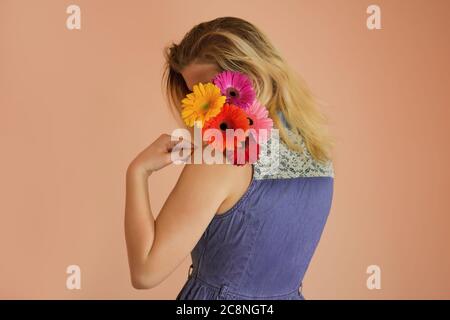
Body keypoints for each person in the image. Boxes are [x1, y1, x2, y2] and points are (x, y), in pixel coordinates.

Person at [124, 16, 334, 300]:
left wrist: (138, 172)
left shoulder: (223, 157)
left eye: (211, 90)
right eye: (194, 94)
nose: (204, 107)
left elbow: (145, 272)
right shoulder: (315, 147)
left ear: (251, 77)